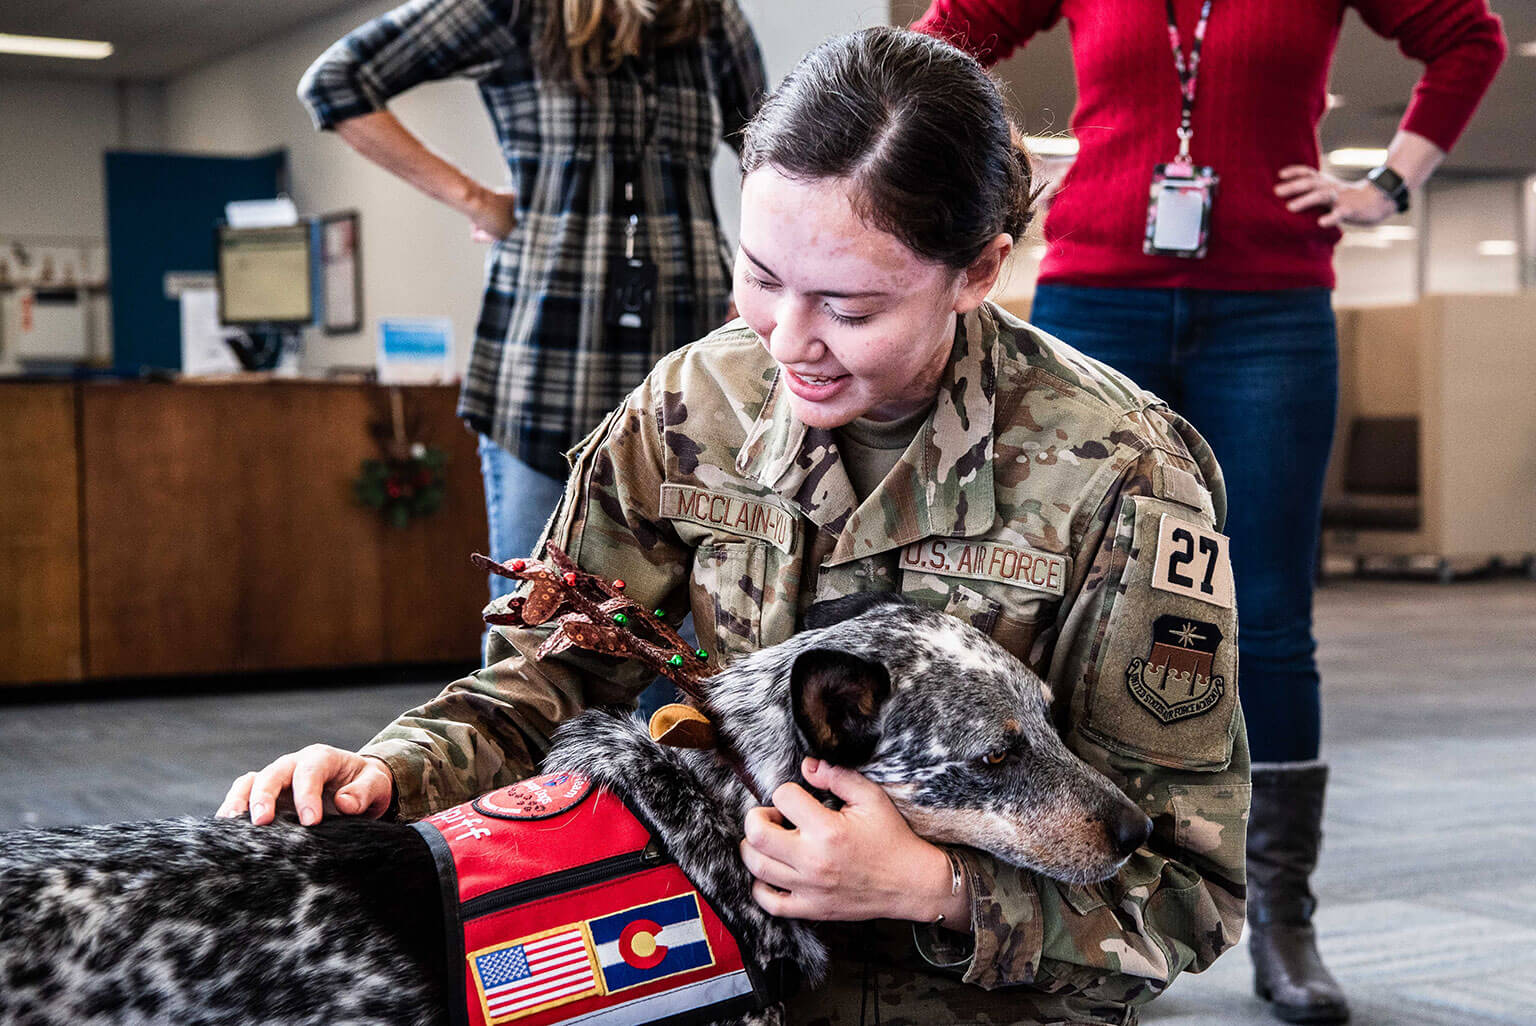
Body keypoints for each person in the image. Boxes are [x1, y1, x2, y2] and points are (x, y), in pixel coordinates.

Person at [224, 27, 1251, 1025]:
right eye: (760, 278)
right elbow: (552, 680)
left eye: (849, 308)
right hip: (675, 977)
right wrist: (392, 772)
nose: (789, 343)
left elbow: (1189, 897)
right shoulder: (692, 405)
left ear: (979, 270)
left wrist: (936, 887)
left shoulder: (1121, 474)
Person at [911, 1, 1507, 1021]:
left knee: (1269, 617)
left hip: (1268, 305)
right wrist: (994, 180)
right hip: (1098, 296)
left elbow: (1470, 35)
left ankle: (1284, 922)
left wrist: (1388, 182)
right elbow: (941, 37)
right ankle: (1083, 924)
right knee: (1063, 602)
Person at [298, 0, 767, 608]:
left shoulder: (708, 16)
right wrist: (473, 198)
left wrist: (761, 276)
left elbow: (771, 143)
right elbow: (336, 81)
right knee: (539, 619)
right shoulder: (516, 10)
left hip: (681, 354)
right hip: (546, 363)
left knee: (677, 632)